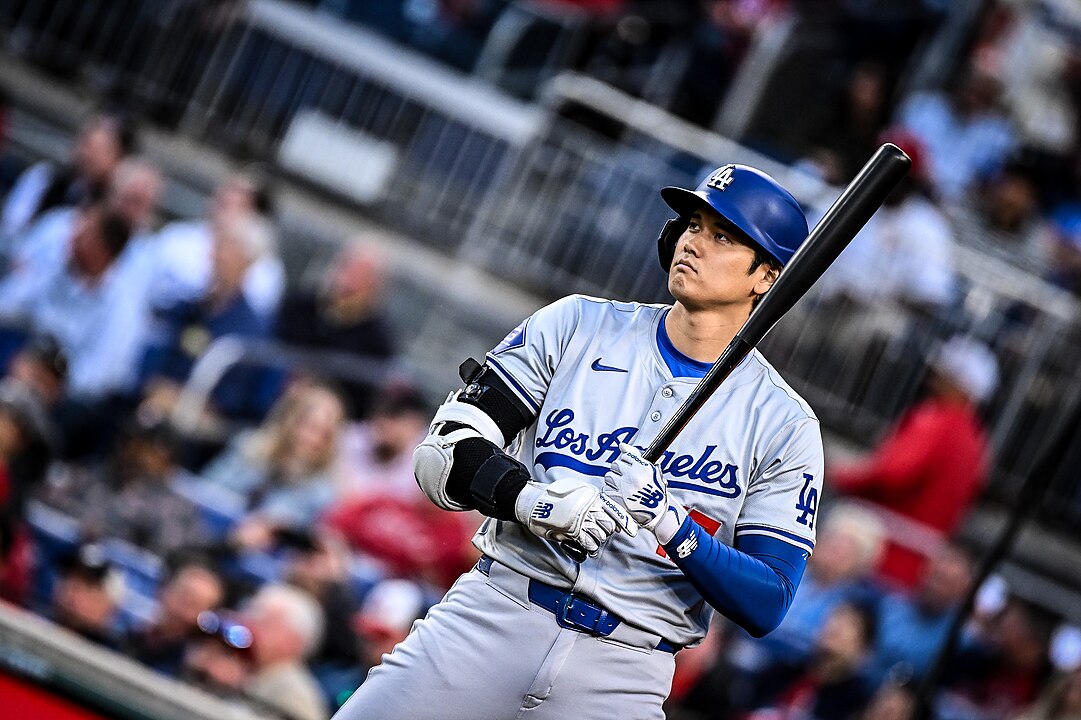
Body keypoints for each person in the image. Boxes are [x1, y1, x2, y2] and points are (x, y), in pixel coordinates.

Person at [335, 163, 824, 719]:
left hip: (626, 670)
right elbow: (443, 452)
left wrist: (673, 526)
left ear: (767, 277)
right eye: (692, 224)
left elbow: (768, 600)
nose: (693, 242)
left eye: (722, 236)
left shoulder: (784, 422)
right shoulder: (577, 326)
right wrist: (531, 499)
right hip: (494, 614)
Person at [830, 335, 998, 587]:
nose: (933, 377)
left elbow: (891, 474)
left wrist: (838, 474)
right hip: (916, 569)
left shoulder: (938, 420)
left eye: (944, 373)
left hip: (880, 556)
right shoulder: (978, 441)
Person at [242, 583, 329, 720]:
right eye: (251, 619)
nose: (251, 627)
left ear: (294, 640)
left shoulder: (294, 694)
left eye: (264, 623)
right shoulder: (250, 672)